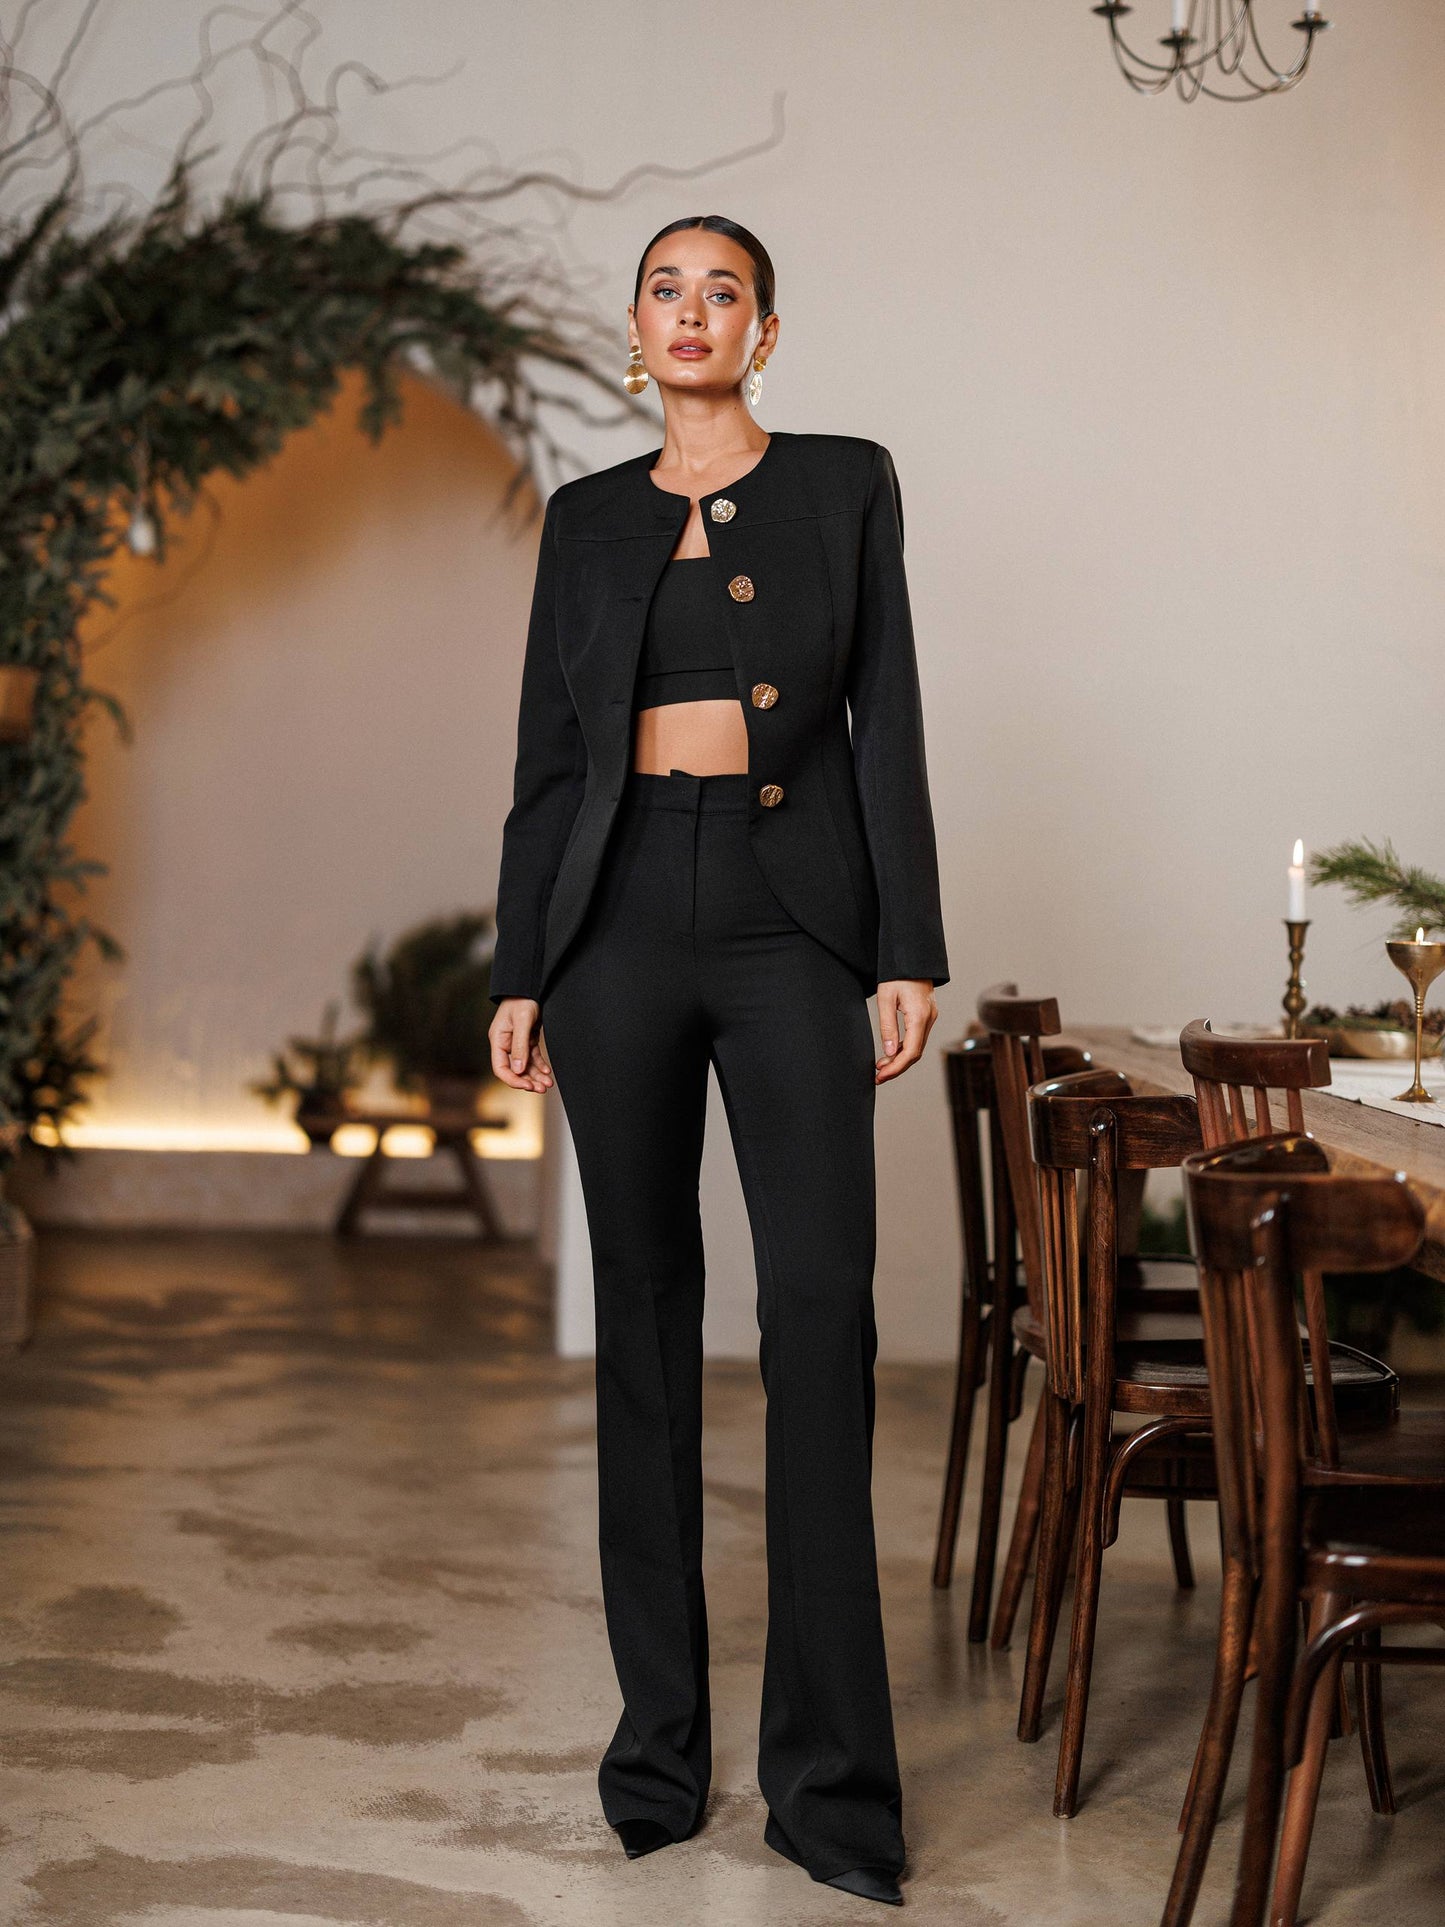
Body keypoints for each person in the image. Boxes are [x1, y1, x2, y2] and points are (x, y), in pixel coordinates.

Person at [487, 214, 949, 1908]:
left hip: (789, 925)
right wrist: (519, 961)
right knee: (649, 1327)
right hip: (611, 929)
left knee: (816, 1312)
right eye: (666, 289)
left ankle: (833, 1791)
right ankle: (656, 1758)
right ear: (635, 325)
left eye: (724, 292)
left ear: (766, 328)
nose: (694, 313)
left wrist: (906, 943)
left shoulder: (843, 483)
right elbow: (547, 757)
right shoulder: (586, 517)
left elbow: (885, 706)